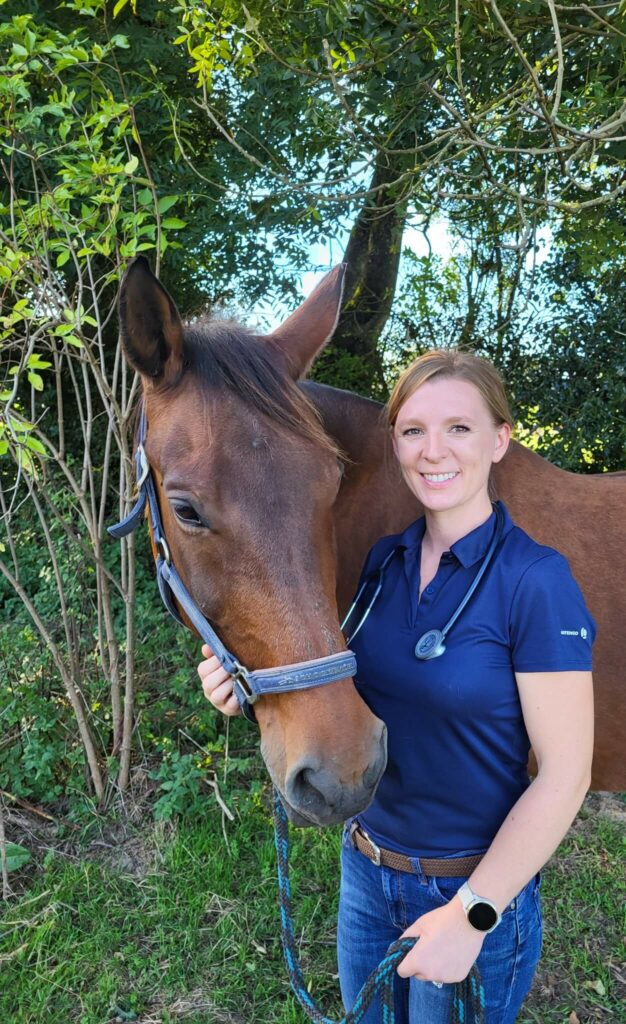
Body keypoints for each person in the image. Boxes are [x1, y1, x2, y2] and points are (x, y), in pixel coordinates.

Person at [197, 350, 595, 1023]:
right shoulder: (384, 564)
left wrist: (472, 915)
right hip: (367, 877)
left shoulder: (537, 582)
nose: (433, 451)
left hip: (469, 890)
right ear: (395, 446)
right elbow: (335, 686)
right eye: (413, 431)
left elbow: (567, 775)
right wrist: (246, 684)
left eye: (459, 429)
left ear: (500, 441)